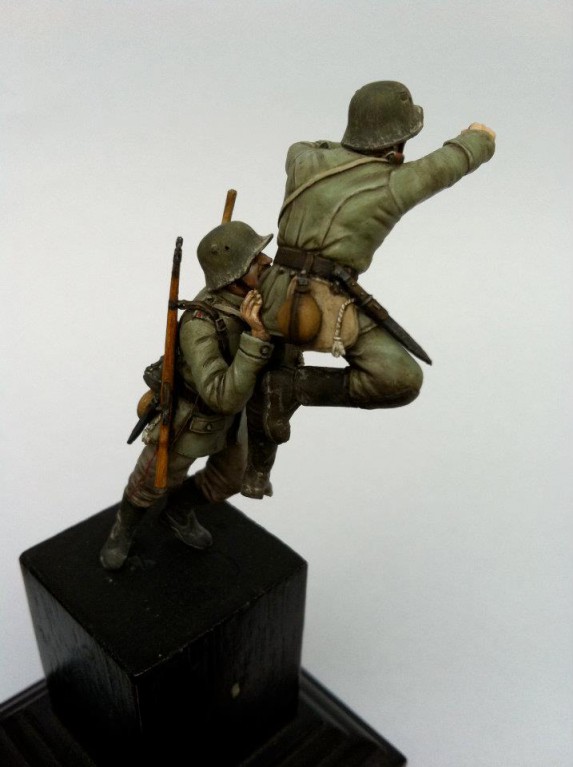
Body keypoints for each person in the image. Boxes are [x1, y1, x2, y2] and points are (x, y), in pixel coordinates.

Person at [254, 80, 496, 451]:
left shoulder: (303, 160)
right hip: (323, 304)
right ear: (398, 141)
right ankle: (292, 387)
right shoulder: (394, 184)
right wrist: (480, 138)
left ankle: (270, 404)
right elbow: (447, 164)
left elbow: (303, 145)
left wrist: (347, 152)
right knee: (400, 378)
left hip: (269, 294)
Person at [100, 221, 276, 570]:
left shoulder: (255, 298)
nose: (267, 260)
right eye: (256, 259)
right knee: (150, 483)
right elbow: (221, 396)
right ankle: (122, 532)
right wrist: (256, 337)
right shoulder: (200, 324)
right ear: (235, 276)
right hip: (190, 421)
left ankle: (178, 513)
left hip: (234, 419)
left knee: (233, 478)